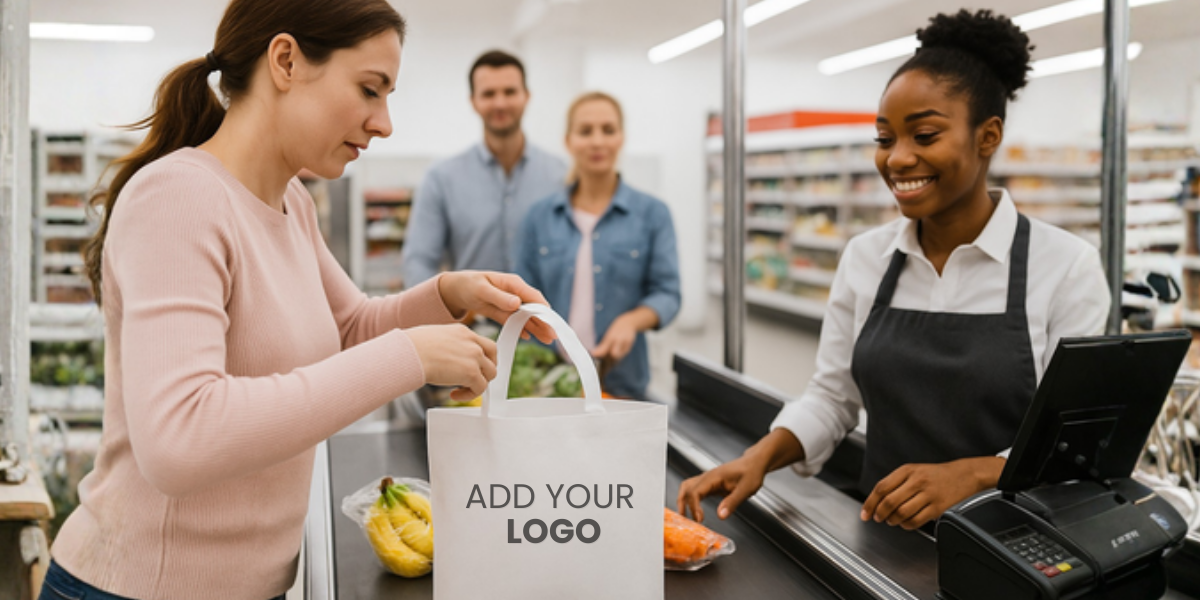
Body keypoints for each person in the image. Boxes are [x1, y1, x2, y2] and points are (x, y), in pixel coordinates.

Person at [42, 2, 553, 599]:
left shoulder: (292, 202)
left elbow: (349, 327)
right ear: (285, 61)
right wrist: (411, 357)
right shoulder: (178, 198)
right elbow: (180, 439)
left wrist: (449, 293)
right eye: (369, 90)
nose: (384, 123)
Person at [678, 10, 1110, 532]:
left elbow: (1072, 446)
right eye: (885, 139)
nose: (898, 159)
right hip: (884, 543)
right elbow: (832, 398)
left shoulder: (1065, 267)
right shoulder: (866, 257)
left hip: (1016, 545)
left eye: (924, 135)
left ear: (988, 136)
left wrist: (974, 474)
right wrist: (760, 457)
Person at [517, 92, 680, 399]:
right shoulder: (538, 217)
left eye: (608, 130)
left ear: (621, 138)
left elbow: (668, 293)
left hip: (623, 383)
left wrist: (632, 321)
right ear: (568, 141)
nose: (597, 141)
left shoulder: (652, 214)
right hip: (547, 383)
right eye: (585, 131)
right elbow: (521, 296)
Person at [401, 50, 567, 287]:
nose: (500, 103)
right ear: (473, 101)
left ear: (526, 96)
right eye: (488, 94)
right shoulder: (441, 179)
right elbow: (419, 262)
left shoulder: (561, 175)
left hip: (545, 310)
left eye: (510, 92)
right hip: (467, 313)